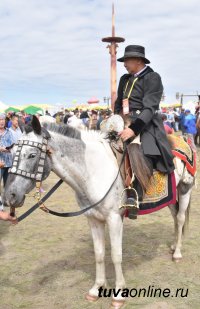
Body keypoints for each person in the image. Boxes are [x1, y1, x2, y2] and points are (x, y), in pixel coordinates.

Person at [114, 45, 175, 218]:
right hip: (123, 121)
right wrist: (116, 120)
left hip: (145, 123)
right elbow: (119, 102)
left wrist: (133, 129)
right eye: (124, 60)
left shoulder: (152, 77)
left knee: (138, 151)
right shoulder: (124, 79)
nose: (124, 64)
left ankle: (135, 196)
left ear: (139, 60)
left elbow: (150, 108)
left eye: (127, 60)